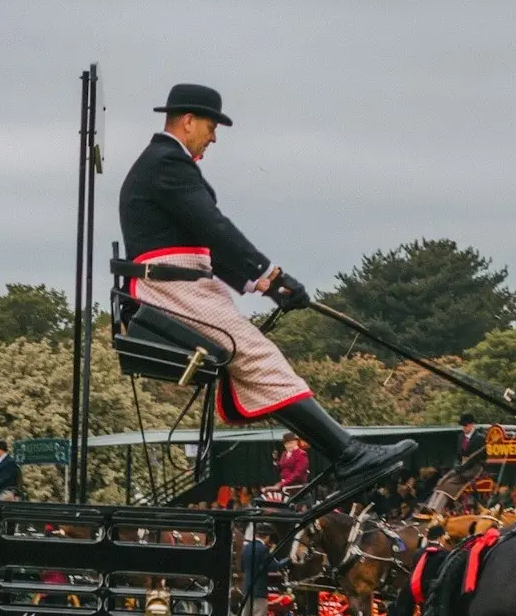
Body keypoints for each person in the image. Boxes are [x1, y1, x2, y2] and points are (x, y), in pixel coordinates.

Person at [119, 83, 415, 496]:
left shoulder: (162, 165)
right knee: (259, 356)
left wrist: (269, 287)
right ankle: (348, 456)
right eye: (211, 126)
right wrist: (272, 276)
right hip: (171, 291)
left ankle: (346, 454)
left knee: (259, 361)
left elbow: (207, 245)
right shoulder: (168, 164)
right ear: (187, 122)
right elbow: (215, 229)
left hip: (182, 286)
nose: (214, 136)